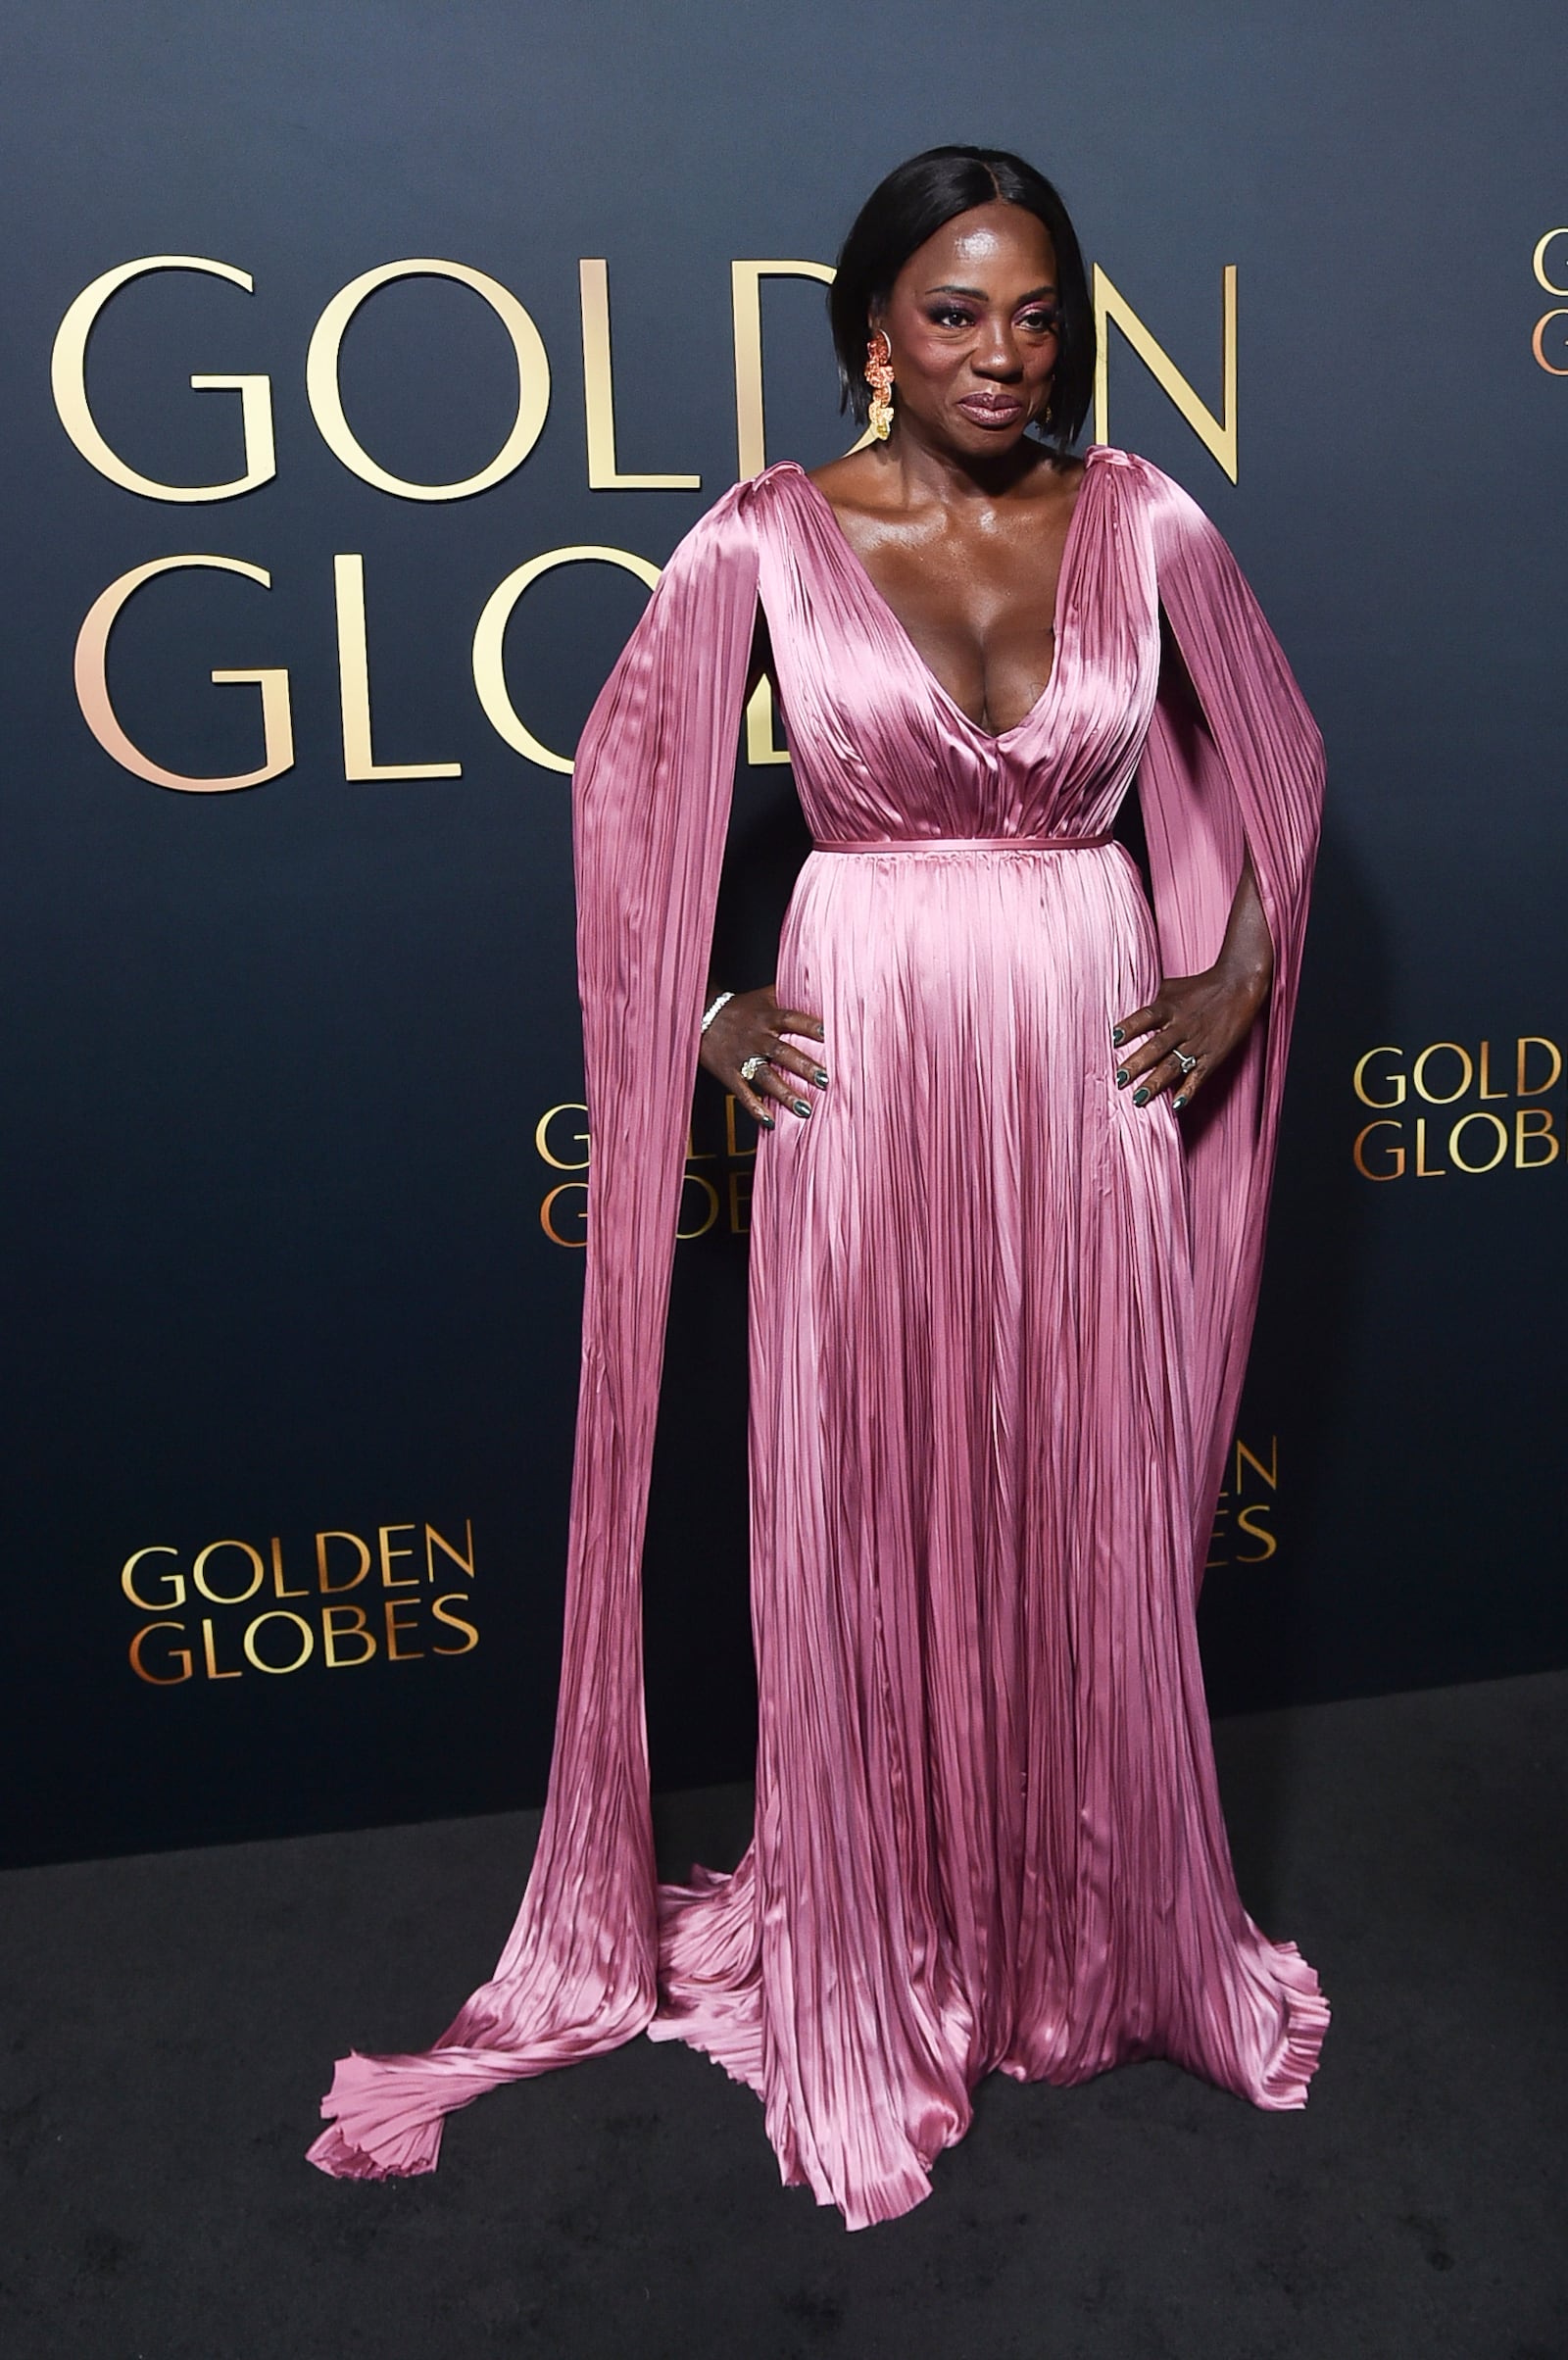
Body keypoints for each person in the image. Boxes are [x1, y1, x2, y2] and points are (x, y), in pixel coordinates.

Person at [310, 145, 1327, 2230]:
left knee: (1082, 1484)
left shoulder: (1139, 519)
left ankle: (1091, 1939)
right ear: (872, 328)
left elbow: (1282, 771)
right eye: (952, 312)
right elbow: (628, 789)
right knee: (866, 1495)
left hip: (1080, 1054)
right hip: (859, 1067)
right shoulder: (768, 534)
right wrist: (686, 1009)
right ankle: (885, 1940)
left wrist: (1235, 967)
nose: (1000, 352)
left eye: (1036, 311)